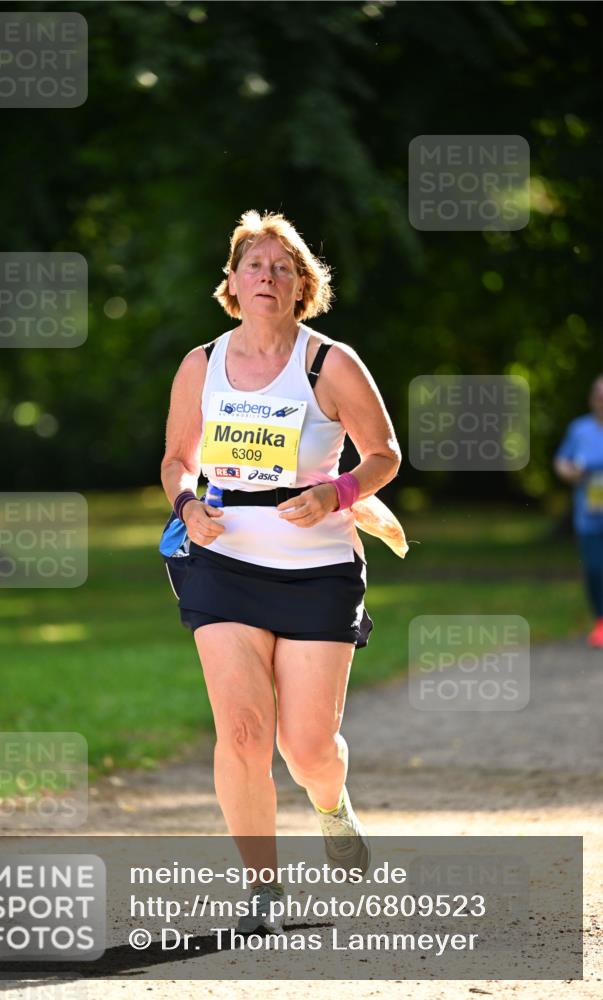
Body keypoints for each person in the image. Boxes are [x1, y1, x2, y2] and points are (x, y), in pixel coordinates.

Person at [160, 210, 401, 933]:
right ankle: (263, 887)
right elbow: (177, 457)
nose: (268, 277)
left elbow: (384, 453)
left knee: (307, 747)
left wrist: (337, 492)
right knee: (239, 732)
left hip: (317, 569)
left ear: (304, 286)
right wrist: (185, 502)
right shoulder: (201, 362)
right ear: (231, 283)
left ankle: (331, 804)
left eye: (283, 268)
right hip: (224, 559)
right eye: (254, 266)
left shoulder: (330, 363)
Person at [554, 375, 603, 648]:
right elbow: (561, 461)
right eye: (598, 393)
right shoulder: (580, 429)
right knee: (595, 570)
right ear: (591, 398)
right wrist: (571, 472)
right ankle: (601, 621)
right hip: (590, 516)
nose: (602, 399)